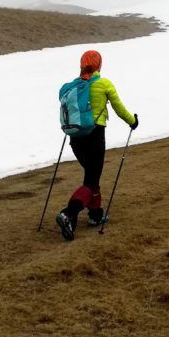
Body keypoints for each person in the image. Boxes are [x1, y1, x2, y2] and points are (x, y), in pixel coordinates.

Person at [56, 49, 138, 241]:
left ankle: (95, 215)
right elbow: (119, 108)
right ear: (99, 64)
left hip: (75, 139)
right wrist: (132, 122)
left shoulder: (71, 87)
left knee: (91, 176)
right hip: (94, 137)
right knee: (91, 180)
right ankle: (69, 213)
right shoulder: (103, 84)